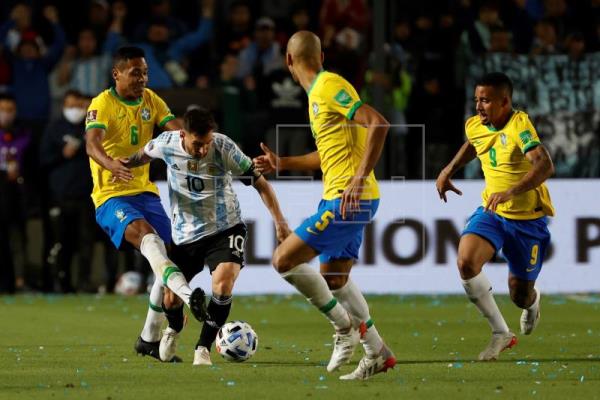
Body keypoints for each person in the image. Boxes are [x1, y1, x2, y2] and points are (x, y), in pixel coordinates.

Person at [253, 31, 395, 380]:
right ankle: (377, 352)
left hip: (349, 199)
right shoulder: (320, 93)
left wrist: (359, 178)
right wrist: (283, 163)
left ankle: (345, 330)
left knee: (283, 259)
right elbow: (326, 153)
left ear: (288, 60)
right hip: (348, 196)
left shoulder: (329, 85)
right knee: (334, 278)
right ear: (320, 54)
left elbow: (378, 123)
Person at [124, 106, 291, 365]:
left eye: (207, 143)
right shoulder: (167, 143)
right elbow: (142, 155)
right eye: (197, 144)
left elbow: (262, 184)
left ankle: (203, 347)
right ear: (183, 134)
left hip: (225, 228)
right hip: (185, 236)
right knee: (170, 299)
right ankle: (174, 328)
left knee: (223, 284)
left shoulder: (224, 148)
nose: (203, 150)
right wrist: (121, 165)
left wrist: (280, 223)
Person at [85, 46, 208, 360]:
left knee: (174, 255)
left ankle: (148, 339)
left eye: (145, 72)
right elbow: (92, 143)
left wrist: (191, 139)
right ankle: (187, 296)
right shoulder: (102, 103)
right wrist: (110, 164)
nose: (142, 78)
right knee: (148, 238)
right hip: (111, 197)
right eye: (135, 72)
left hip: (146, 192)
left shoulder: (151, 99)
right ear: (117, 74)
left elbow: (173, 127)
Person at [435, 72, 555, 361]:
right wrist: (448, 170)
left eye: (485, 100)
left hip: (527, 221)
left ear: (505, 102)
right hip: (492, 212)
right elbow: (473, 144)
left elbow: (544, 165)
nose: (478, 106)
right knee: (465, 262)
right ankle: (501, 333)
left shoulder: (519, 125)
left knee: (519, 295)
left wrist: (511, 191)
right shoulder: (476, 124)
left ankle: (532, 301)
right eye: (476, 99)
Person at [40, 90, 94, 292]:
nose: (76, 110)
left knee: (85, 241)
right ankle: (60, 283)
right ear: (63, 106)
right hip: (60, 195)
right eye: (71, 105)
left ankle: (84, 283)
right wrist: (62, 154)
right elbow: (43, 160)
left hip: (86, 195)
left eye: (80, 106)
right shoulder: (54, 129)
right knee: (60, 242)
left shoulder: (91, 129)